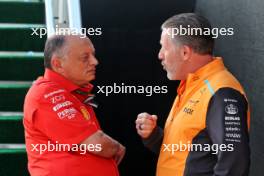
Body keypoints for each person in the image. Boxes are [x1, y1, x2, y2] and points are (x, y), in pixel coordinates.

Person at [135, 13, 250, 176]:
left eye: (164, 47)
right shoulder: (191, 85)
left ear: (184, 53)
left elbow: (234, 166)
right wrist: (154, 136)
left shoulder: (221, 93)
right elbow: (189, 156)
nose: (160, 55)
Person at [23, 34, 125, 176]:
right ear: (58, 64)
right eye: (85, 58)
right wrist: (116, 147)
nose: (95, 62)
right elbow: (99, 145)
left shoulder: (73, 92)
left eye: (93, 55)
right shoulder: (47, 94)